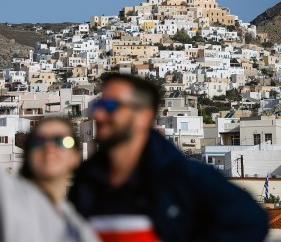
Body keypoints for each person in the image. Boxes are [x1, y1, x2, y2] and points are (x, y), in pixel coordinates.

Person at [69, 73, 269, 241]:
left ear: (144, 116)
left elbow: (252, 222)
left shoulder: (184, 177)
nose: (100, 116)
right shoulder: (85, 180)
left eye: (111, 107)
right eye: (98, 106)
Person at [0, 54, 98, 242]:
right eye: (39, 141)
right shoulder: (7, 203)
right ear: (28, 153)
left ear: (75, 156)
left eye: (61, 141)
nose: (49, 147)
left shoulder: (80, 227)